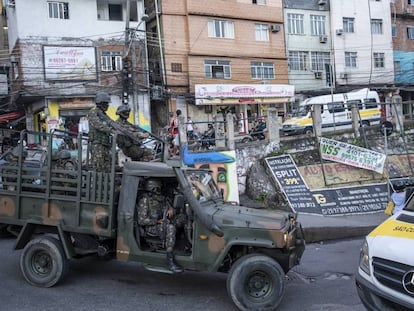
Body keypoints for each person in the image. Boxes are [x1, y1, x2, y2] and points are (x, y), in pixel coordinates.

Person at [137, 178, 184, 273]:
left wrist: (172, 210)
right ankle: (169, 259)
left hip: (162, 222)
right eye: (158, 186)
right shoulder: (145, 200)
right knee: (170, 228)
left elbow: (170, 207)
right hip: (151, 227)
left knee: (182, 218)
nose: (160, 188)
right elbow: (141, 220)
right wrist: (157, 221)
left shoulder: (161, 198)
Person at [87, 92, 115, 172]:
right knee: (99, 166)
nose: (108, 106)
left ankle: (106, 183)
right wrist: (111, 130)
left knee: (107, 166)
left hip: (105, 144)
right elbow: (98, 125)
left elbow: (112, 123)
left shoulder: (104, 115)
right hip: (97, 144)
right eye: (106, 104)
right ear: (101, 103)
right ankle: (98, 183)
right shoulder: (93, 112)